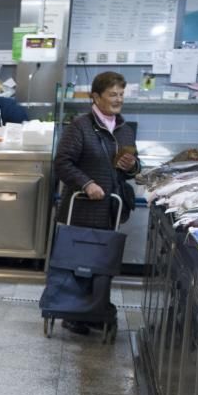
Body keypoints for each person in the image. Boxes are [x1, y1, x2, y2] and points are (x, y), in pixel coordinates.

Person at [54, 71, 139, 336]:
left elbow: (131, 169)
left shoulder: (124, 130)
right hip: (80, 209)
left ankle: (94, 310)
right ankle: (73, 313)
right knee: (79, 262)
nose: (118, 100)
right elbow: (62, 163)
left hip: (111, 210)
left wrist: (133, 166)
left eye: (121, 95)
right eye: (112, 94)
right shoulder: (80, 126)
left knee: (102, 264)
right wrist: (87, 184)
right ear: (96, 97)